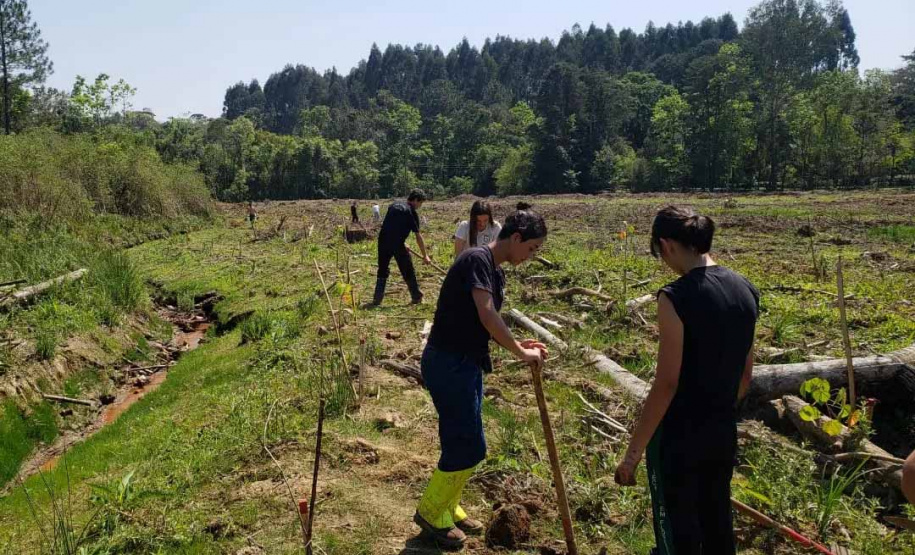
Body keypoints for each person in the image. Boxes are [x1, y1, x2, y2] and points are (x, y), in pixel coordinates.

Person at [615, 206, 758, 555]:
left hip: (680, 437)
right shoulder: (745, 289)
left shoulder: (675, 297)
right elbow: (745, 374)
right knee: (717, 519)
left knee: (679, 530)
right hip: (722, 430)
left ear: (666, 245)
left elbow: (667, 383)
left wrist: (632, 455)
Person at [413, 208, 550, 549]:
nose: (531, 256)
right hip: (448, 363)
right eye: (531, 248)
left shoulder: (494, 271)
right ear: (515, 237)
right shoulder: (477, 259)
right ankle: (431, 513)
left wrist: (520, 344)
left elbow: (485, 324)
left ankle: (448, 504)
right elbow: (487, 315)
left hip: (467, 363)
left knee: (469, 444)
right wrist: (520, 353)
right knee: (465, 443)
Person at [369, 189, 432, 307]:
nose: (420, 206)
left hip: (383, 241)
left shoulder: (393, 205)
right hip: (397, 244)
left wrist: (403, 242)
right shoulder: (411, 212)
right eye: (420, 203)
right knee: (407, 269)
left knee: (382, 269)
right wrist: (425, 256)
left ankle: (377, 299)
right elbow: (418, 236)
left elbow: (391, 227)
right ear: (415, 200)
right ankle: (416, 296)